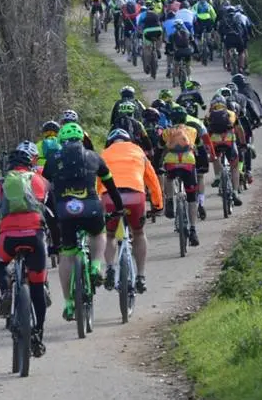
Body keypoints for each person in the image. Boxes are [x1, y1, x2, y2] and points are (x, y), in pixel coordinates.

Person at [0, 146, 60, 358]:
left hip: (8, 239)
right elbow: (53, 215)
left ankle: (6, 291)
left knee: (0, 263)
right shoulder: (41, 182)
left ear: (8, 166)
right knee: (38, 287)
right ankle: (38, 333)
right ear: (30, 164)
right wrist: (56, 244)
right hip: (35, 237)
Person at [42, 123, 124, 322]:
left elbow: (43, 188)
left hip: (64, 211)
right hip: (91, 207)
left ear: (61, 141)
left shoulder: (53, 159)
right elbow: (111, 186)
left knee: (66, 255)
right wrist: (119, 207)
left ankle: (69, 304)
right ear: (82, 139)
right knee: (98, 233)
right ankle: (96, 266)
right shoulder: (94, 156)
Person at [99, 129, 162, 293]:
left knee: (110, 234)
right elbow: (152, 179)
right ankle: (141, 276)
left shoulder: (104, 153)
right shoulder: (138, 151)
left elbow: (98, 183)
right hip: (135, 195)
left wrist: (99, 204)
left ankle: (110, 268)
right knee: (139, 233)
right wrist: (157, 204)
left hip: (110, 197)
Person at [160, 109, 212, 246]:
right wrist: (204, 165)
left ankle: (170, 201)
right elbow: (201, 150)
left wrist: (157, 164)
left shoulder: (167, 131)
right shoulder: (192, 131)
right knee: (191, 199)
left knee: (168, 178)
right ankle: (193, 229)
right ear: (185, 119)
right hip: (188, 163)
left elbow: (159, 148)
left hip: (171, 163)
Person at [206, 96, 245, 207]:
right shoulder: (231, 114)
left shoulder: (209, 115)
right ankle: (235, 192)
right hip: (229, 142)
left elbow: (205, 133)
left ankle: (218, 176)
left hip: (215, 143)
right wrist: (243, 144)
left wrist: (206, 148)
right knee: (234, 167)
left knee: (215, 156)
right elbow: (240, 130)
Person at [219, 5, 246, 73]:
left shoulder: (224, 20)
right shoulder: (238, 18)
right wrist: (244, 36)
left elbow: (220, 30)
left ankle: (228, 65)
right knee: (241, 52)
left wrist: (222, 38)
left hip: (228, 37)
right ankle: (241, 67)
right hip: (238, 37)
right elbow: (243, 28)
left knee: (227, 50)